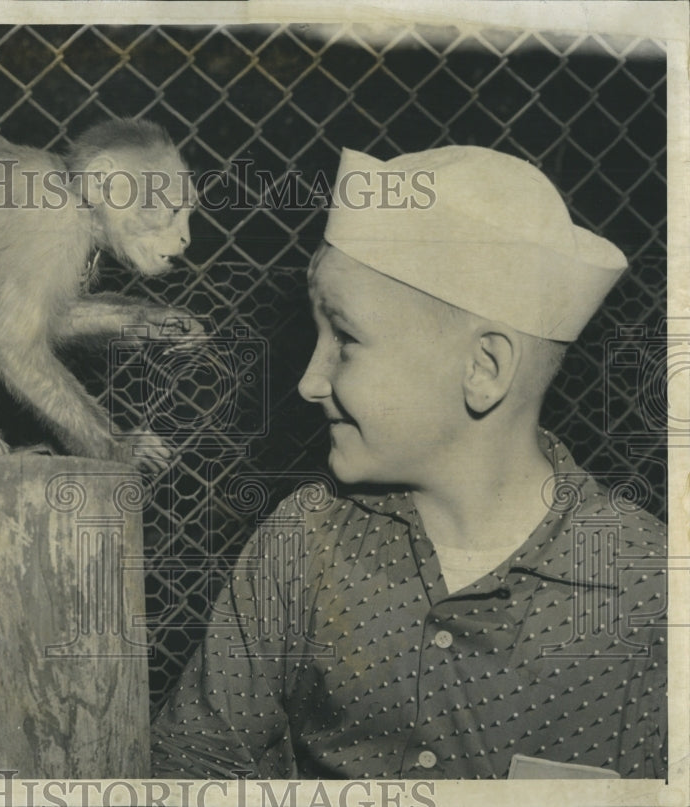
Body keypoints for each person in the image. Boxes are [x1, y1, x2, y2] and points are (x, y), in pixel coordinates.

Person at [150, 146, 666, 780]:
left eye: (346, 338)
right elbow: (195, 764)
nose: (310, 382)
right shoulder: (304, 544)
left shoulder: (647, 591)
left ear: (484, 370)